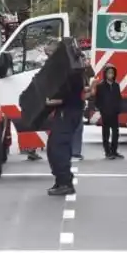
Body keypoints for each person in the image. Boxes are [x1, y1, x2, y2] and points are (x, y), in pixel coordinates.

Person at [45, 54, 85, 196]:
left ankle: (65, 183)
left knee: (58, 147)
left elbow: (67, 97)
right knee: (55, 146)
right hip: (68, 112)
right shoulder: (74, 73)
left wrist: (51, 102)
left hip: (67, 113)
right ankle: (61, 180)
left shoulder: (71, 74)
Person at [93, 65, 123, 160]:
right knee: (106, 132)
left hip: (114, 112)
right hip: (105, 112)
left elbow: (119, 98)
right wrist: (101, 109)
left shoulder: (116, 85)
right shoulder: (101, 86)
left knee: (115, 132)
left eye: (112, 73)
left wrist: (118, 108)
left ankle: (114, 150)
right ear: (105, 74)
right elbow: (97, 99)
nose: (110, 75)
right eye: (109, 73)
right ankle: (107, 151)